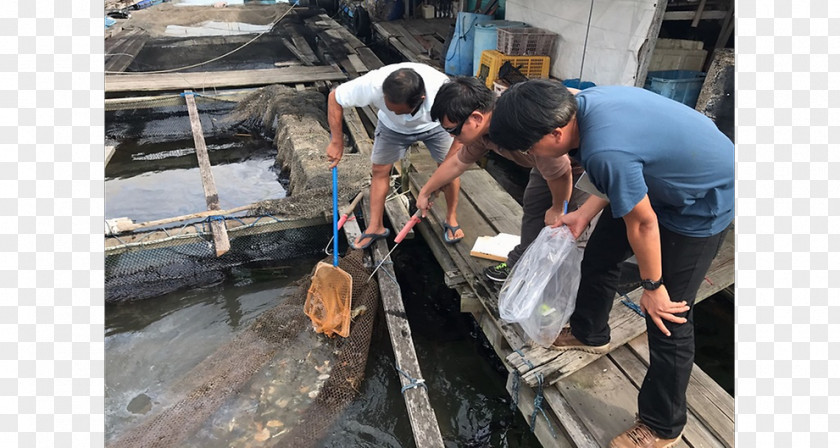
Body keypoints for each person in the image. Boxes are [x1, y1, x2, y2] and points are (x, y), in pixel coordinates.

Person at [489, 79, 734, 448]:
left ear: (556, 134)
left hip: (699, 200)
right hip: (658, 181)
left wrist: (653, 287)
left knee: (668, 315)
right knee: (600, 257)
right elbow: (621, 175)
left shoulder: (604, 148)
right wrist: (584, 214)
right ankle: (590, 332)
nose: (531, 153)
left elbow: (643, 221)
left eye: (530, 145)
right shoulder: (582, 105)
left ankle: (662, 425)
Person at [415, 76, 581, 282]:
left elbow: (562, 170)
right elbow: (457, 163)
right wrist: (426, 190)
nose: (451, 137)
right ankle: (520, 263)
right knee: (533, 207)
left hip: (579, 164)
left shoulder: (517, 125)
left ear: (476, 118)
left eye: (454, 130)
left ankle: (559, 280)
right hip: (546, 162)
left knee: (572, 224)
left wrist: (558, 207)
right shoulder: (483, 133)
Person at [326, 63, 463, 249]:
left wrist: (443, 174)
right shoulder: (373, 84)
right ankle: (375, 226)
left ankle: (451, 218)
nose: (395, 112)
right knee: (379, 170)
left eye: (400, 110)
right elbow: (335, 97)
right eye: (389, 107)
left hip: (435, 126)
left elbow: (460, 135)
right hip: (391, 128)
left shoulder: (442, 90)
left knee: (450, 172)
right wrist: (336, 141)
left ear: (421, 99)